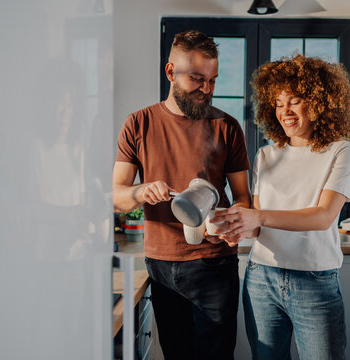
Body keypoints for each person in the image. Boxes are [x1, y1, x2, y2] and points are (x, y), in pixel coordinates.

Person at [112, 30, 251, 360]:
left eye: (213, 80)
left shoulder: (227, 126)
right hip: (162, 265)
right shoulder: (138, 124)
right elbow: (116, 196)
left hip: (214, 264)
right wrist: (141, 191)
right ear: (171, 72)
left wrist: (230, 223)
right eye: (197, 79)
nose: (208, 89)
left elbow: (244, 198)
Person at [212, 54, 350, 360]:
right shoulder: (267, 155)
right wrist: (235, 227)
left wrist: (256, 215)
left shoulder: (341, 151)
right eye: (278, 103)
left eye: (294, 101)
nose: (285, 111)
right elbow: (258, 225)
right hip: (261, 277)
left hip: (315, 280)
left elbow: (323, 216)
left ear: (320, 102)